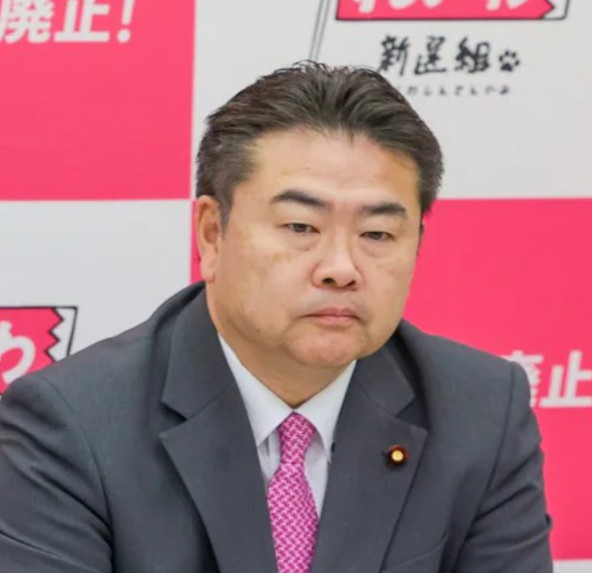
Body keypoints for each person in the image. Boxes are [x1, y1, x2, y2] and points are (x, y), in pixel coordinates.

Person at [0, 62, 552, 573]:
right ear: (212, 233)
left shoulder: (481, 412)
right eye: (300, 227)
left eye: (378, 234)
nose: (341, 268)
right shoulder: (73, 426)